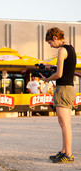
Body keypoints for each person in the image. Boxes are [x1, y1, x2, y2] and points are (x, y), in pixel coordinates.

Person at [40, 27, 76, 163]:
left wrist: (46, 79)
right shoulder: (70, 48)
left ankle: (69, 154)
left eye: (50, 42)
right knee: (63, 123)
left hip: (64, 89)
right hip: (67, 88)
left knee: (65, 124)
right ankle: (64, 151)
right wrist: (51, 68)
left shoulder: (62, 50)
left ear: (55, 38)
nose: (50, 45)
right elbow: (65, 69)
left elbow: (60, 74)